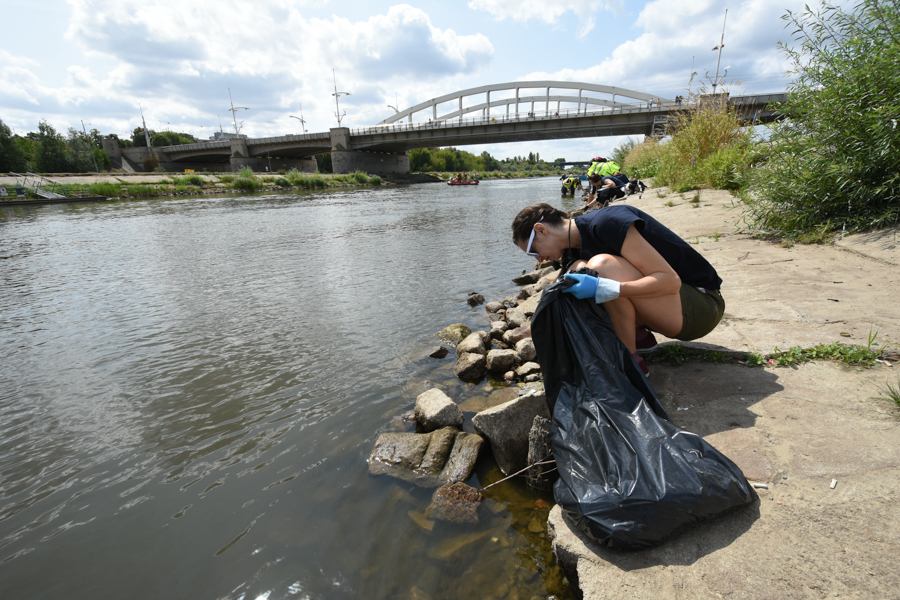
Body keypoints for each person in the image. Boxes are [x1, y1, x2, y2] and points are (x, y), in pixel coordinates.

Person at [511, 203, 725, 376]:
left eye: (532, 251)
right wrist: (532, 330)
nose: (538, 259)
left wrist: (604, 287)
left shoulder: (607, 223)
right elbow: (555, 290)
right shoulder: (573, 248)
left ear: (541, 229)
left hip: (701, 305)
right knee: (578, 271)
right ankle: (639, 337)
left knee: (602, 267)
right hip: (673, 307)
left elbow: (670, 282)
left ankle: (631, 364)